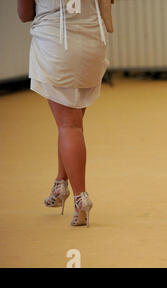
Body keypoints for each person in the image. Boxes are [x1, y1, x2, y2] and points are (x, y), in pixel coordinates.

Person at [17, 0, 111, 227]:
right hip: (91, 43)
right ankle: (60, 183)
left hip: (57, 45)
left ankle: (81, 198)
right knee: (73, 124)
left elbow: (24, 14)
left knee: (69, 126)